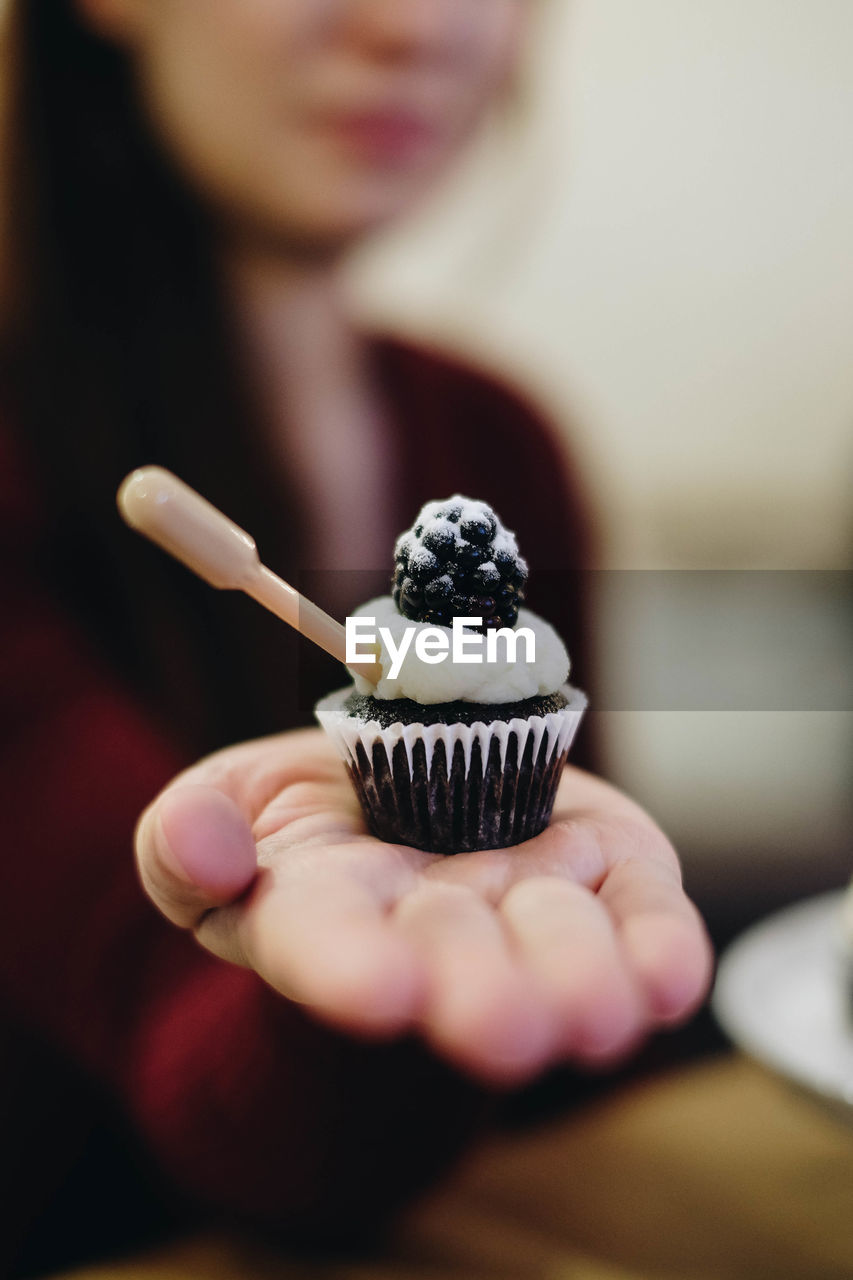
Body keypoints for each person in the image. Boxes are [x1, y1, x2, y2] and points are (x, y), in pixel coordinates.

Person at [0, 1, 712, 1275]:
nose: (417, 24)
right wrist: (351, 973)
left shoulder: (502, 445)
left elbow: (588, 1046)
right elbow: (161, 1014)